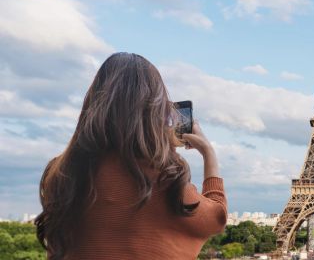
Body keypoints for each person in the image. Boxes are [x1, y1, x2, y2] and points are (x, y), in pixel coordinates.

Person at [34, 52, 227, 259]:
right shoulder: (163, 177)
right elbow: (215, 218)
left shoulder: (60, 172)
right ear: (154, 112)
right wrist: (208, 154)